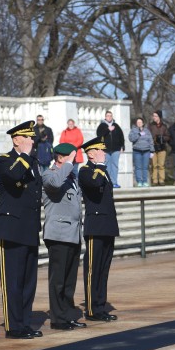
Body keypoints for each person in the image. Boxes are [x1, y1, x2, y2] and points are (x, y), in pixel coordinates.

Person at [0, 121, 43, 339]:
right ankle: (14, 326)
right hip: (10, 229)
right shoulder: (6, 160)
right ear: (16, 140)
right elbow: (12, 177)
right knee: (13, 281)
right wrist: (25, 156)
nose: (32, 141)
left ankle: (24, 322)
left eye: (33, 138)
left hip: (29, 227)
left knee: (28, 282)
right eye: (28, 138)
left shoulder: (32, 161)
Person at [42, 143, 87, 331]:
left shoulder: (71, 176)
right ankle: (57, 318)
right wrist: (68, 164)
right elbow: (54, 185)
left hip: (73, 233)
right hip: (58, 233)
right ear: (60, 158)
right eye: (71, 157)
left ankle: (67, 315)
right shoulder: (49, 174)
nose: (74, 162)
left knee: (69, 281)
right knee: (58, 279)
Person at [78, 136, 120, 321]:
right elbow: (94, 184)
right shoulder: (86, 170)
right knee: (93, 269)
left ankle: (100, 307)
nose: (105, 153)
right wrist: (101, 166)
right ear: (91, 154)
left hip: (108, 224)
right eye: (101, 150)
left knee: (104, 269)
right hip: (95, 225)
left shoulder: (102, 170)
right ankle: (92, 309)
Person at [96, 110, 125, 188]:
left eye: (110, 116)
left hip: (116, 149)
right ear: (105, 117)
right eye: (107, 116)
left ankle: (114, 182)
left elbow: (121, 136)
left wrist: (122, 147)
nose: (109, 117)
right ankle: (107, 182)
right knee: (107, 166)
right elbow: (99, 136)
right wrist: (108, 130)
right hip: (105, 150)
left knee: (115, 166)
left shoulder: (116, 126)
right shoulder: (101, 126)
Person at [128, 116, 154, 187]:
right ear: (136, 123)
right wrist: (138, 134)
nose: (139, 123)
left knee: (145, 167)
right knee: (138, 167)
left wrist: (152, 151)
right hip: (137, 151)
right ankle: (139, 181)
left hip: (146, 151)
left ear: (143, 123)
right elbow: (131, 139)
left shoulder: (147, 131)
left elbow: (150, 141)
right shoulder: (133, 130)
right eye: (138, 122)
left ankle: (145, 181)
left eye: (140, 122)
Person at [149, 110, 170, 186]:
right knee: (154, 165)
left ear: (159, 117)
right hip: (153, 148)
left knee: (161, 165)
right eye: (153, 116)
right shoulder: (150, 126)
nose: (153, 117)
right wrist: (154, 139)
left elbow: (168, 136)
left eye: (155, 116)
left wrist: (162, 138)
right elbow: (148, 135)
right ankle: (154, 180)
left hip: (162, 148)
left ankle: (161, 180)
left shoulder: (164, 126)